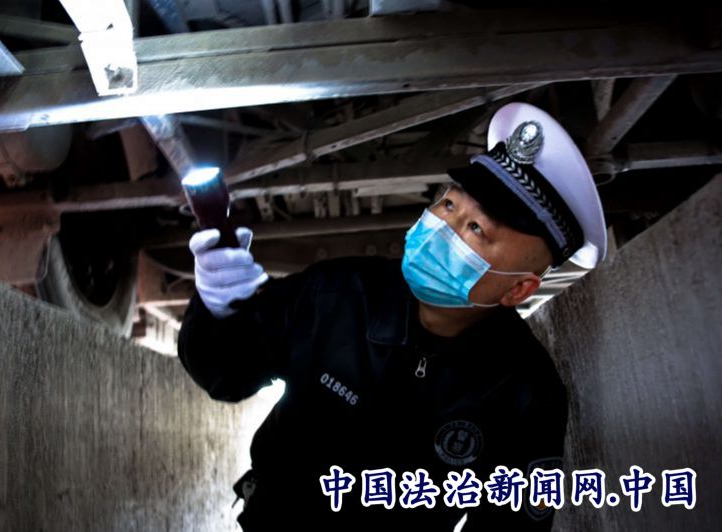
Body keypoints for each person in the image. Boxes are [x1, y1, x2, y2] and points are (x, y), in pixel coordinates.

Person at [177, 102, 607, 530]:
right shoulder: (337, 293)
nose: (444, 229)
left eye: (476, 229)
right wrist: (217, 307)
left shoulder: (527, 392)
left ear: (518, 289)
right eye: (449, 205)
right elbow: (227, 376)